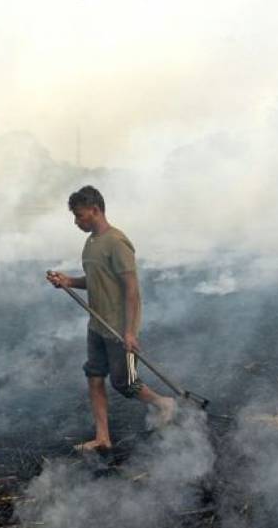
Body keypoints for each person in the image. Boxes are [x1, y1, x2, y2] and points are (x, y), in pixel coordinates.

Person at [46, 185, 176, 452]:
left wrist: (130, 332)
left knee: (124, 383)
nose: (76, 222)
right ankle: (102, 437)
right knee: (94, 376)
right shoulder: (91, 242)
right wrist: (68, 281)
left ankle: (163, 403)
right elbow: (96, 282)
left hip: (117, 327)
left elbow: (132, 290)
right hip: (97, 325)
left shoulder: (117, 242)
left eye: (79, 216)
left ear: (95, 210)